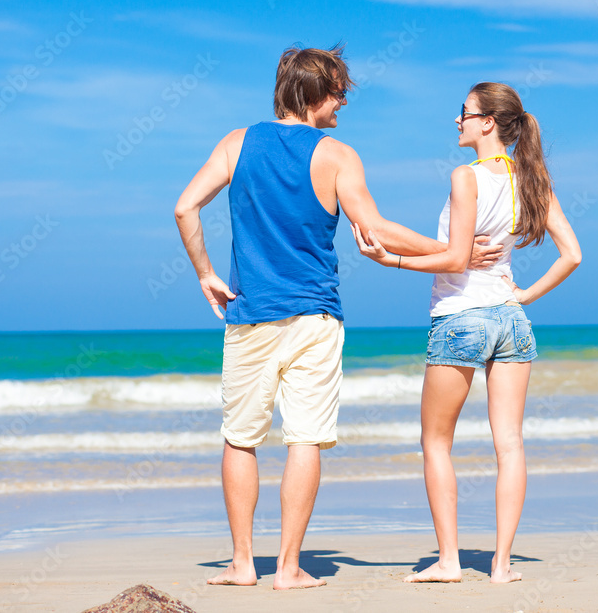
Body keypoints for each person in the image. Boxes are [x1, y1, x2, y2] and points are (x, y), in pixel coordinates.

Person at [174, 45, 499, 590]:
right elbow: (375, 228)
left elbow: (185, 206)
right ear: (313, 93)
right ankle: (287, 568)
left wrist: (205, 272)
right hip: (315, 318)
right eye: (338, 91)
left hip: (249, 314)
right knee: (305, 439)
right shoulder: (337, 156)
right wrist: (453, 250)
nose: (343, 101)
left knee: (240, 438)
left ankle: (240, 564)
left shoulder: (236, 144)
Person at [353, 82, 581, 584]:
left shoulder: (465, 176)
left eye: (464, 113)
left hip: (461, 317)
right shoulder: (531, 180)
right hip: (509, 318)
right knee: (511, 445)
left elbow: (456, 259)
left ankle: (450, 561)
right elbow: (573, 254)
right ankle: (501, 566)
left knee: (436, 442)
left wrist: (387, 258)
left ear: (488, 123)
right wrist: (524, 296)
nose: (456, 121)